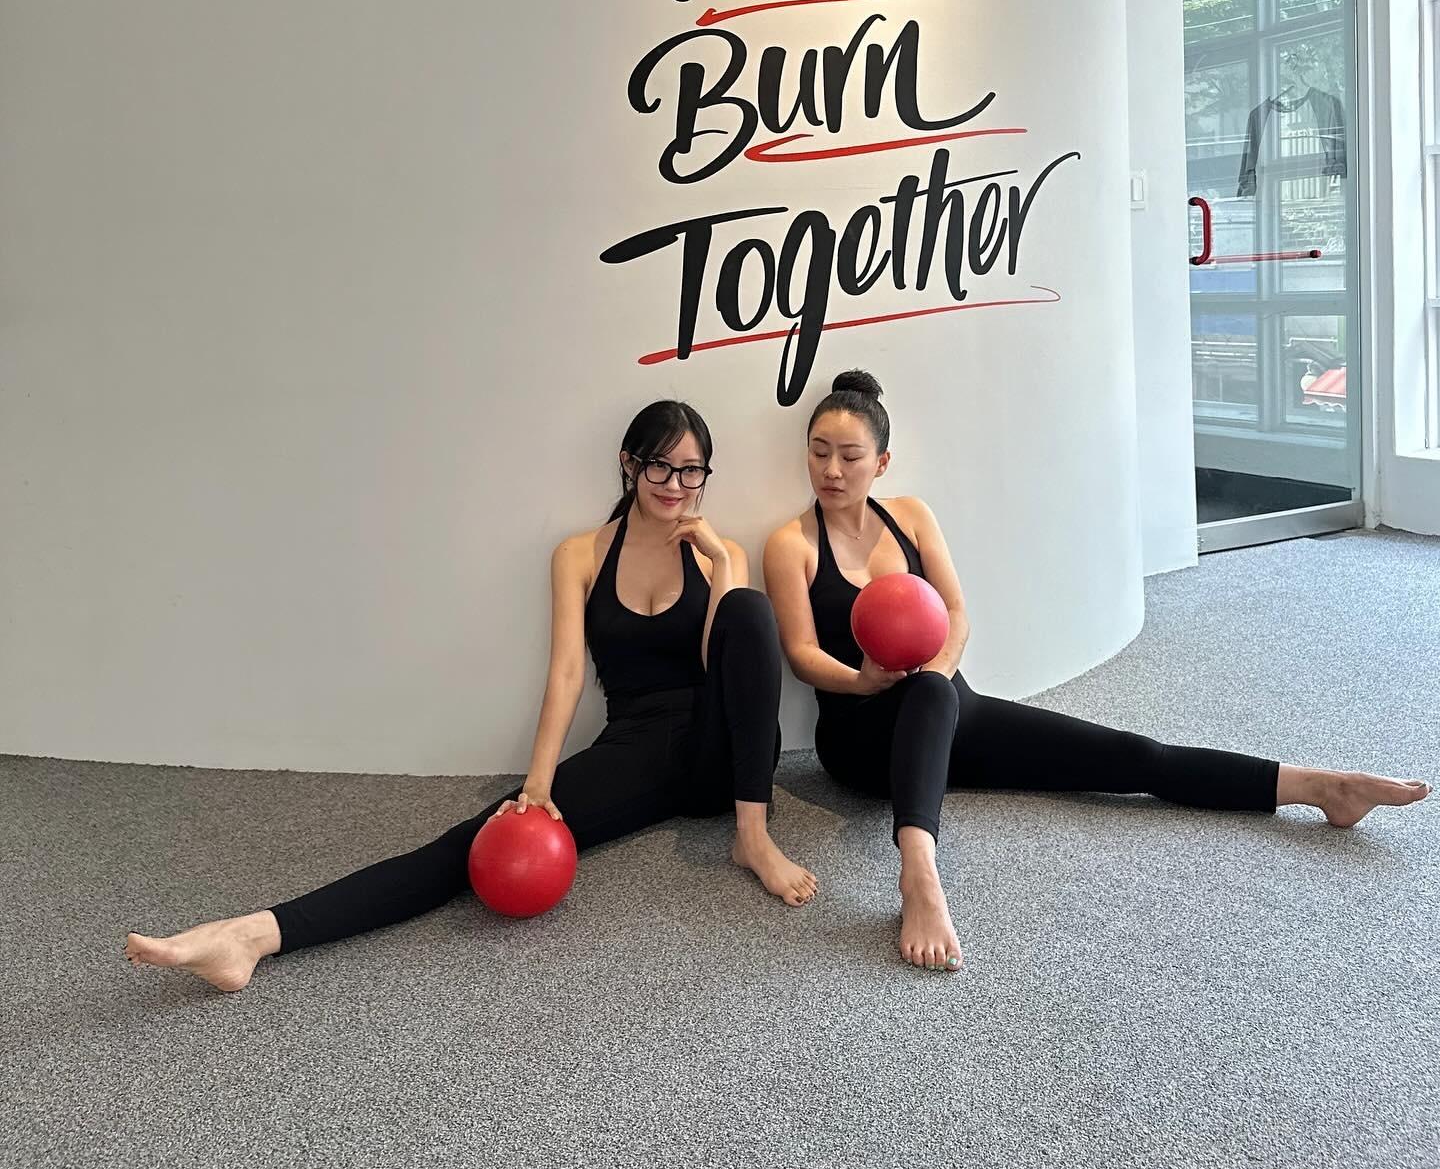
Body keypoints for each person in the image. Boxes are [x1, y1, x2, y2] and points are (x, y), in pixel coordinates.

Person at [126, 399, 817, 994]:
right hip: (635, 747)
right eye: (660, 466)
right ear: (628, 464)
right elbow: (567, 674)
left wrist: (720, 566)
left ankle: (752, 837)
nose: (676, 485)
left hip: (722, 751)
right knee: (475, 840)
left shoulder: (720, 551)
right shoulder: (580, 555)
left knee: (748, 609)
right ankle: (252, 936)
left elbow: (725, 663)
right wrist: (538, 783)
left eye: (692, 470)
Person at [762, 368, 1432, 975]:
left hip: (948, 707)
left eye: (849, 455)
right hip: (861, 736)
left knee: (1130, 757)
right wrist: (865, 682)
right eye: (818, 452)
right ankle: (919, 874)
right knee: (934, 698)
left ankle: (1319, 786)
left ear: (881, 462)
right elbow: (801, 653)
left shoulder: (910, 516)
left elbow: (957, 614)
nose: (831, 470)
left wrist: (935, 673)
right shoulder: (791, 544)